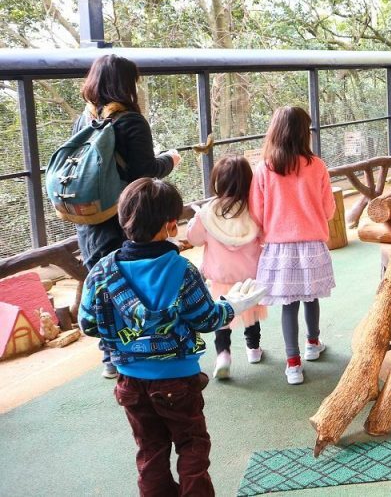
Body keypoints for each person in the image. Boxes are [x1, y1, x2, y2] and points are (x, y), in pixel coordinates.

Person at [78, 178, 265, 497]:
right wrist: (232, 306)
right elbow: (206, 319)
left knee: (150, 451)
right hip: (177, 380)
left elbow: (88, 324)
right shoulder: (181, 269)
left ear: (123, 219)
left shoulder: (102, 271)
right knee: (192, 446)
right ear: (170, 225)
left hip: (130, 380)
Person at [73, 54, 181, 378]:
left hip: (89, 221)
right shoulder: (130, 121)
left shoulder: (83, 120)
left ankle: (110, 356)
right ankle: (142, 352)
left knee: (104, 287)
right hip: (124, 220)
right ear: (126, 84)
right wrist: (170, 160)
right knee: (133, 287)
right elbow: (144, 172)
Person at [249, 106, 336, 385]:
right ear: (302, 133)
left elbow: (257, 213)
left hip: (279, 248)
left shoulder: (264, 168)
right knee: (311, 296)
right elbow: (329, 210)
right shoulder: (317, 166)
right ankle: (313, 343)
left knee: (289, 305)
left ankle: (293, 364)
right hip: (311, 244)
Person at [186, 155, 267, 380]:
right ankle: (254, 349)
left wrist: (194, 221)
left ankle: (223, 355)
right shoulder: (253, 210)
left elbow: (194, 239)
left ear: (217, 182)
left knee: (221, 318)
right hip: (249, 276)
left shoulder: (207, 212)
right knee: (250, 313)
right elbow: (264, 236)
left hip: (220, 278)